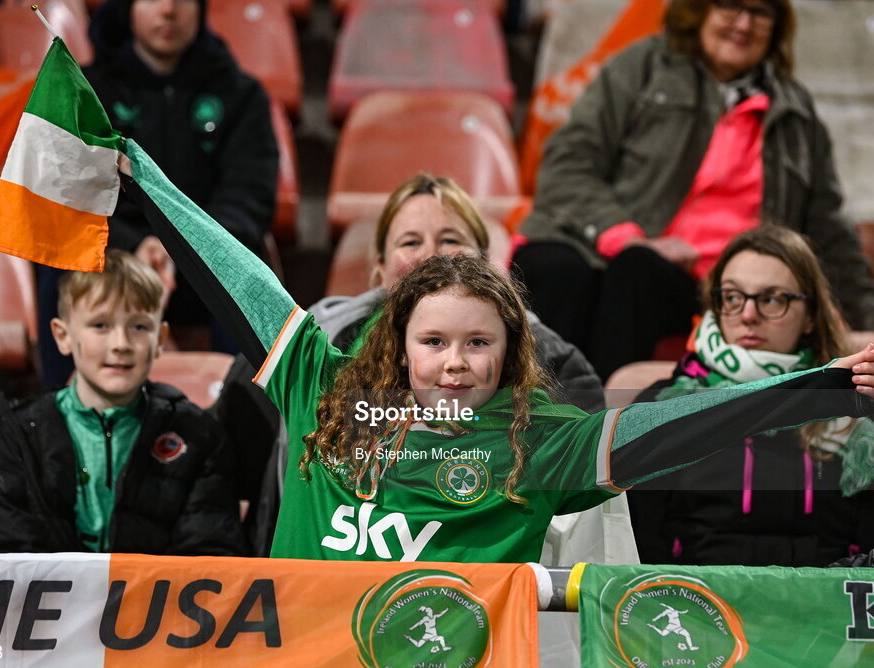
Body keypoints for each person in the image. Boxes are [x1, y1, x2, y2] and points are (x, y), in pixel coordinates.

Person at [119, 142, 874, 563]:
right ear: (398, 342)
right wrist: (142, 174)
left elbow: (680, 429)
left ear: (511, 349)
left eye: (478, 343)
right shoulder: (324, 389)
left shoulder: (543, 437)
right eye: (435, 341)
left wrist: (815, 387)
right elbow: (239, 276)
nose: (455, 362)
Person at [213, 173, 605, 555]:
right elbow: (235, 478)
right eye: (410, 241)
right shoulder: (317, 348)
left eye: (450, 239)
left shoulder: (555, 359)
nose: (431, 255)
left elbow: (580, 489)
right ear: (379, 265)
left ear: (488, 265)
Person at [513, 0, 874, 381]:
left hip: (717, 282)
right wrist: (627, 238)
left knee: (638, 273)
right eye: (730, 7)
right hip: (621, 249)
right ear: (699, 11)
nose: (743, 25)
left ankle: (607, 425)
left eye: (760, 13)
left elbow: (829, 231)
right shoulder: (643, 67)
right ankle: (525, 416)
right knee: (550, 264)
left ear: (776, 27)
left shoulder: (796, 112)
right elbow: (567, 162)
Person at [627, 226, 874, 567]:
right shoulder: (664, 406)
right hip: (700, 608)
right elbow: (637, 550)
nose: (748, 315)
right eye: (732, 297)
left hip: (823, 610)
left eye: (772, 299)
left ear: (810, 316)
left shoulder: (859, 411)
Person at [36, 0, 279, 386]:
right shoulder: (84, 90)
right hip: (110, 256)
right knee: (57, 261)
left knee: (245, 274)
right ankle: (59, 413)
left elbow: (249, 199)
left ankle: (240, 418)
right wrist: (134, 246)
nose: (169, 10)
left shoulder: (241, 95)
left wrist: (178, 243)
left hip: (203, 260)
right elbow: (68, 193)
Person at [0, 249, 247, 555]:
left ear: (160, 338)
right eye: (100, 325)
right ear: (62, 336)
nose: (120, 344)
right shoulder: (17, 439)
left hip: (154, 603)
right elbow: (6, 559)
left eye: (140, 327)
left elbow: (208, 556)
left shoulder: (198, 438)